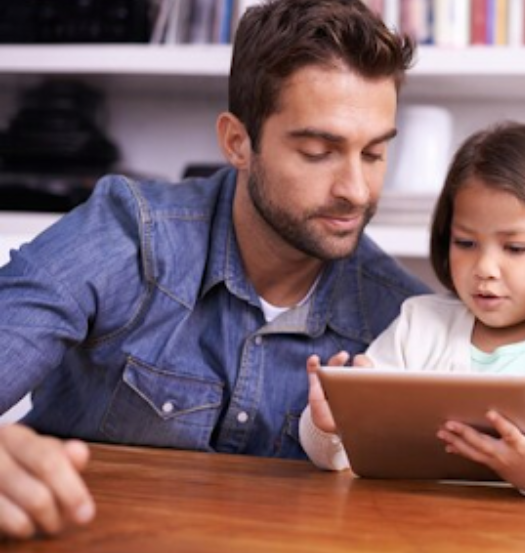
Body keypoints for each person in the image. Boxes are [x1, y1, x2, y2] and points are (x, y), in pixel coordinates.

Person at [0, 0, 428, 539]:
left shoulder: (401, 319)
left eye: (372, 154)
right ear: (237, 143)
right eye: (319, 151)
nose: (356, 191)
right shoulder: (127, 234)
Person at [298, 122, 525, 499]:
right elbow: (342, 458)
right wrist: (329, 426)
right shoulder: (420, 321)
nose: (484, 268)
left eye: (515, 248)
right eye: (465, 242)